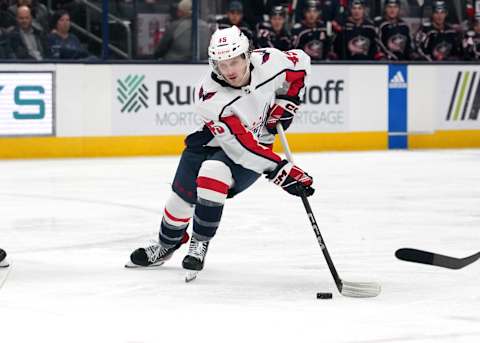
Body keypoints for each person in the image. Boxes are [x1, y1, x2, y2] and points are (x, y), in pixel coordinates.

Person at [126, 26, 314, 280]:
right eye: (221, 64)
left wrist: (287, 102)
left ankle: (199, 243)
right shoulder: (210, 97)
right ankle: (166, 245)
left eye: (234, 62)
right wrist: (281, 171)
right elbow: (239, 146)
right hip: (215, 143)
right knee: (179, 202)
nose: (229, 71)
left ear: (248, 55)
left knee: (213, 173)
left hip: (256, 146)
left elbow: (301, 64)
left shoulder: (271, 62)